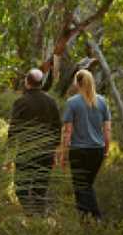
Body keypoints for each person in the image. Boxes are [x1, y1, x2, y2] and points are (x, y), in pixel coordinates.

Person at [8, 67, 62, 214]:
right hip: (46, 152)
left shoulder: (20, 102)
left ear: (27, 82)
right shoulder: (51, 102)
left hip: (26, 152)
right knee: (41, 187)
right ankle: (39, 217)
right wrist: (55, 150)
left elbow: (14, 129)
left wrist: (9, 154)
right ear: (41, 83)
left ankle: (30, 214)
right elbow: (57, 128)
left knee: (21, 186)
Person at [58, 69, 111, 220]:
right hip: (97, 151)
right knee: (85, 186)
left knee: (82, 186)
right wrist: (106, 150)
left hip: (79, 151)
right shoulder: (102, 101)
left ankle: (97, 219)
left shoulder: (72, 102)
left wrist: (63, 154)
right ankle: (85, 221)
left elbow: (67, 132)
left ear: (77, 83)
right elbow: (107, 129)